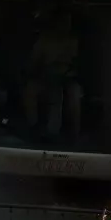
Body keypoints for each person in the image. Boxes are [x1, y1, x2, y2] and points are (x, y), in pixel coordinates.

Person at [21, 9, 83, 142]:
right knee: (30, 90)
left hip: (68, 79)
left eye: (68, 22)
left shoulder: (74, 41)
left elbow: (80, 64)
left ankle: (74, 134)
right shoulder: (44, 40)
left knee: (75, 94)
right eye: (62, 21)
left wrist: (69, 73)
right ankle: (33, 127)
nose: (65, 25)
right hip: (46, 77)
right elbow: (33, 63)